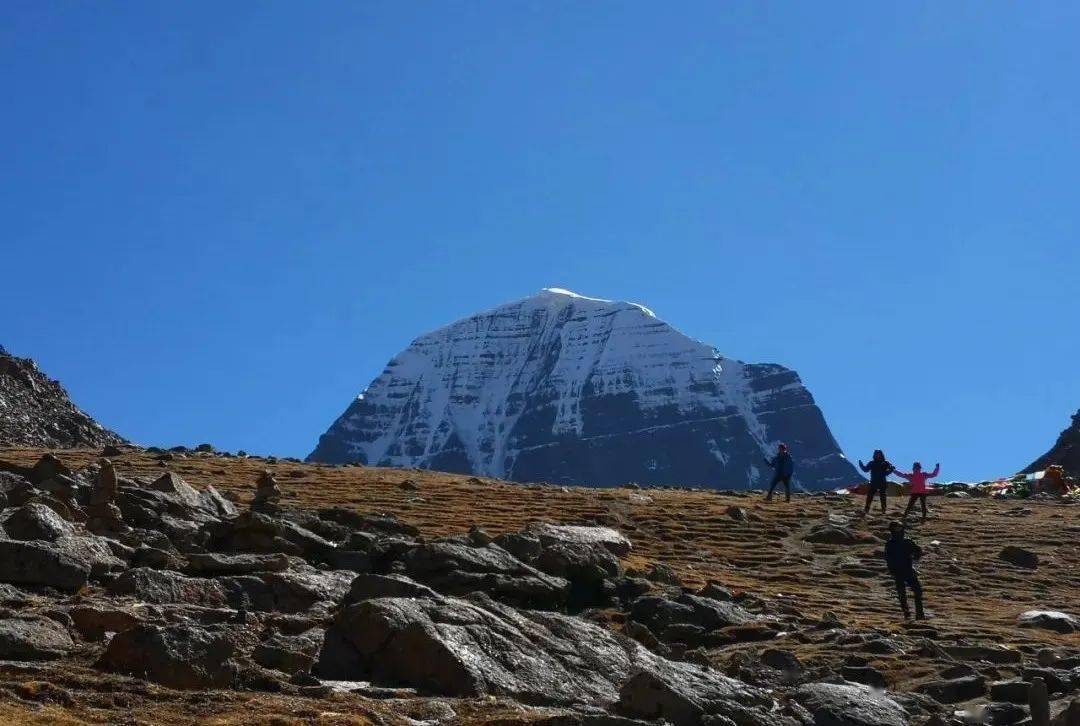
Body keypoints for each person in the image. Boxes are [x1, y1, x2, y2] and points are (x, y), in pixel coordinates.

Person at [884, 520, 924, 619]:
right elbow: (888, 558)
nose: (898, 530)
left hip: (908, 570)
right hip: (898, 571)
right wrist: (891, 568)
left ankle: (919, 613)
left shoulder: (907, 541)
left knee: (917, 591)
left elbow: (918, 550)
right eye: (896, 528)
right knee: (902, 593)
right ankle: (907, 612)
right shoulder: (890, 544)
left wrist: (916, 556)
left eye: (899, 528)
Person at [858, 450, 895, 514]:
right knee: (870, 496)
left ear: (881, 455)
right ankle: (866, 509)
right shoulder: (872, 463)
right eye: (876, 454)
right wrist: (861, 465)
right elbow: (865, 469)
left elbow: (891, 469)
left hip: (882, 482)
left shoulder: (885, 462)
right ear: (874, 455)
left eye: (878, 454)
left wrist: (889, 471)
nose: (877, 455)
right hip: (874, 482)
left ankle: (883, 510)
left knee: (882, 496)